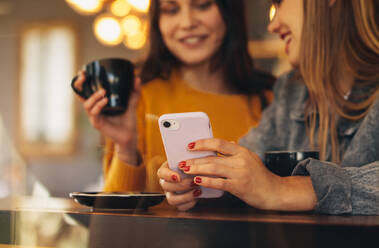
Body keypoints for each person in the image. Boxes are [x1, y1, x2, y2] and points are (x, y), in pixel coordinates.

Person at [158, 0, 379, 215]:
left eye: (279, 2)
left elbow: (268, 187)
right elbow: (251, 171)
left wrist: (286, 189)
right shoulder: (291, 90)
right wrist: (204, 181)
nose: (272, 25)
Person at [73, 0, 274, 194]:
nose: (187, 23)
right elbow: (115, 217)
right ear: (157, 22)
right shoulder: (138, 96)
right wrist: (125, 145)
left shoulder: (271, 100)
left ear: (230, 11)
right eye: (171, 9)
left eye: (203, 5)